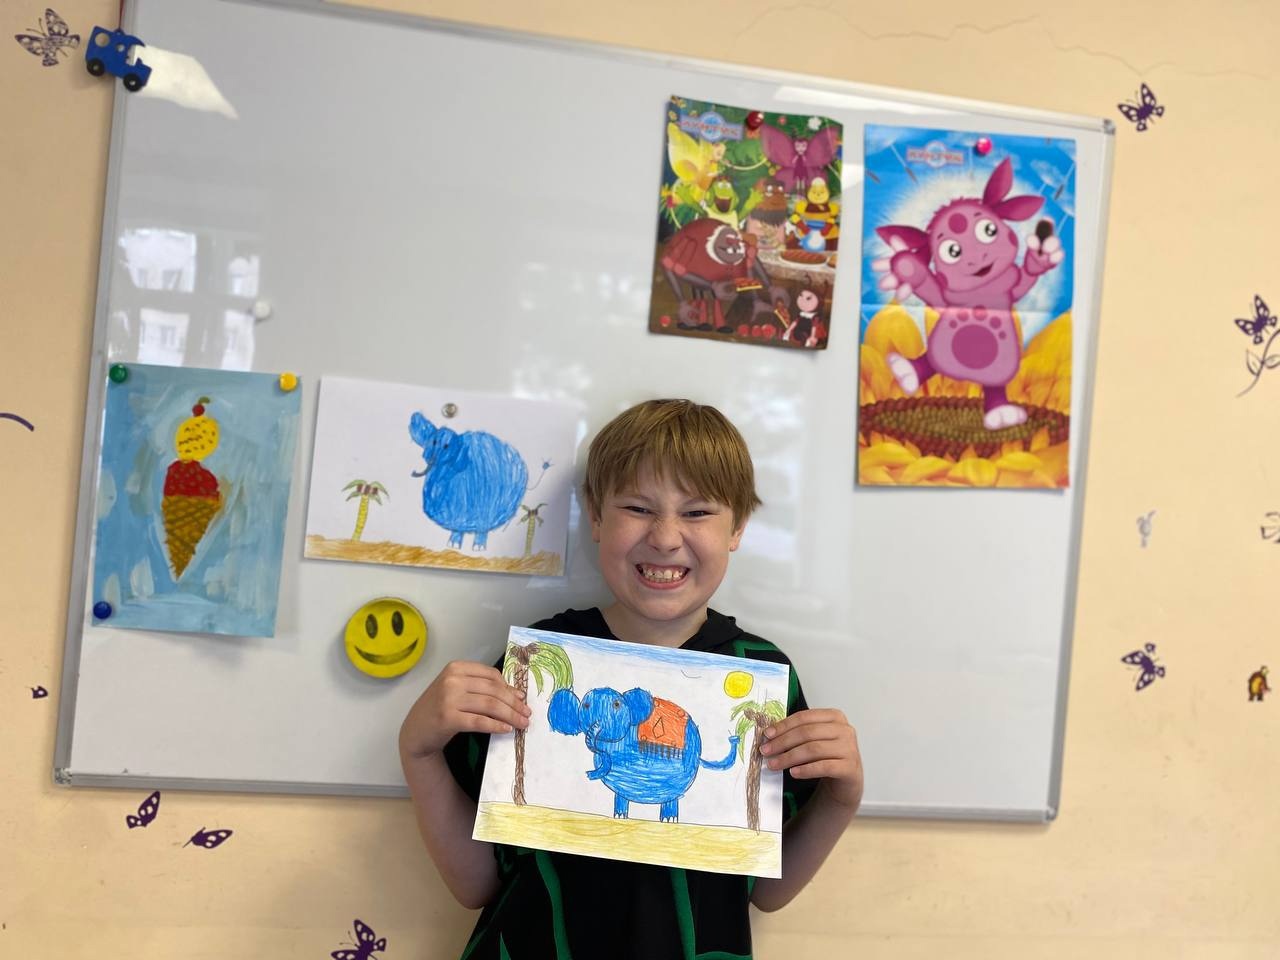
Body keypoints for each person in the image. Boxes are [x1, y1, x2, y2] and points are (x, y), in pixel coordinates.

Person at [399, 399, 863, 959]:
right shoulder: (538, 663)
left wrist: (841, 797)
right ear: (596, 518)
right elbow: (476, 884)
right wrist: (419, 751)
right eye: (639, 508)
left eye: (697, 512)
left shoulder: (764, 676)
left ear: (737, 527)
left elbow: (766, 891)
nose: (665, 537)